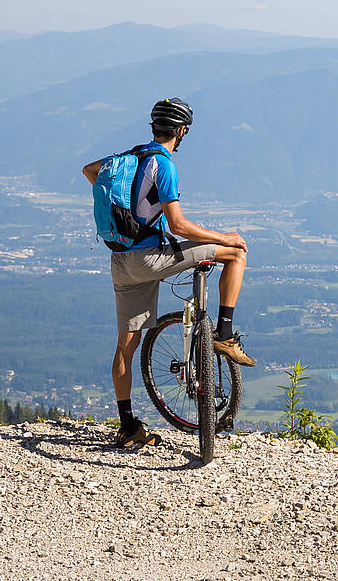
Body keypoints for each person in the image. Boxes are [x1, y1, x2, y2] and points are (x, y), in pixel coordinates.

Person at [83, 97, 255, 448]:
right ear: (181, 131)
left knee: (125, 349)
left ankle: (128, 426)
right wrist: (224, 236)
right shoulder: (164, 164)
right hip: (151, 257)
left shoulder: (125, 159)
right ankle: (223, 332)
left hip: (122, 262)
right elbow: (178, 226)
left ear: (153, 127)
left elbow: (89, 170)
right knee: (235, 254)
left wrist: (124, 208)